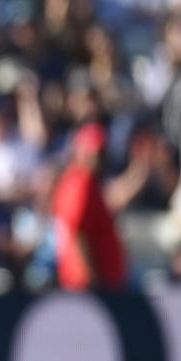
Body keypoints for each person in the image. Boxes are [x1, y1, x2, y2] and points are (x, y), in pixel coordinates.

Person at [52, 123, 128, 291]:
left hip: (97, 281)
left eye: (102, 153)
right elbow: (76, 231)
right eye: (95, 153)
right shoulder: (80, 183)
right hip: (87, 284)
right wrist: (90, 275)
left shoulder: (88, 182)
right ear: (81, 151)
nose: (99, 159)